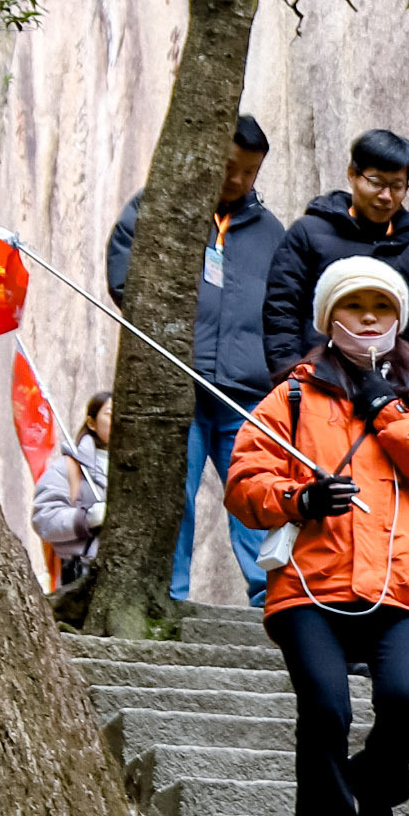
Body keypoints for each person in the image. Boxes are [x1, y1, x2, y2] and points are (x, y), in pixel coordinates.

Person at [223, 259, 409, 816]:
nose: (369, 318)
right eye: (356, 305)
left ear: (398, 318)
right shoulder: (293, 395)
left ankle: (371, 789)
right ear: (328, 317)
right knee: (327, 709)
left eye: (381, 307)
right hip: (312, 582)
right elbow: (244, 480)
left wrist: (388, 412)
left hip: (404, 585)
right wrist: (299, 499)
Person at [109, 112, 286, 599]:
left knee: (256, 495)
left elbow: (287, 308)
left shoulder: (272, 233)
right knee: (173, 496)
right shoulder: (160, 208)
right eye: (229, 166)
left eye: (249, 172)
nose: (237, 180)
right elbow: (126, 280)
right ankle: (170, 595)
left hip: (247, 393)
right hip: (175, 386)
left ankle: (270, 600)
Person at [261, 129, 409, 380]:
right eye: (376, 182)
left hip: (394, 383)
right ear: (352, 174)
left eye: (397, 186)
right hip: (321, 378)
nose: (386, 196)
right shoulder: (308, 233)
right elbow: (282, 311)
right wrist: (292, 375)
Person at [32, 391, 113, 590]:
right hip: (81, 577)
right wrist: (87, 518)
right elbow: (44, 518)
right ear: (91, 423)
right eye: (111, 413)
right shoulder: (67, 468)